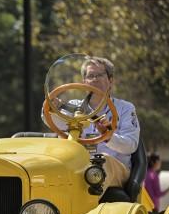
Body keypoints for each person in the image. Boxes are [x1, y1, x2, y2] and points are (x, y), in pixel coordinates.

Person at [43, 56, 139, 199]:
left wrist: (108, 136)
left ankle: (81, 205)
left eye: (100, 75)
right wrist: (51, 109)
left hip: (115, 170)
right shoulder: (74, 106)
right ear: (84, 82)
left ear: (110, 80)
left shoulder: (125, 108)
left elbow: (130, 146)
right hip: (79, 167)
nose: (95, 79)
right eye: (90, 76)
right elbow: (55, 121)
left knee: (102, 162)